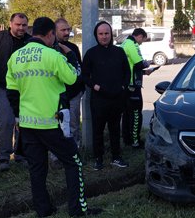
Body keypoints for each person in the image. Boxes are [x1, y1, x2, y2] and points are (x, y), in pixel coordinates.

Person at [6, 17, 101, 218]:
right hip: (52, 123)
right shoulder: (52, 55)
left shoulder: (15, 57)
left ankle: (44, 210)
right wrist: (71, 57)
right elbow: (73, 77)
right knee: (73, 162)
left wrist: (19, 117)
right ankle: (78, 209)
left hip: (27, 124)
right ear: (50, 34)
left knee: (37, 169)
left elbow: (12, 92)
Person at [0, 13, 31, 171]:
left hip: (24, 89)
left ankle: (20, 154)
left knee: (23, 122)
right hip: (2, 87)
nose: (21, 28)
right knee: (5, 122)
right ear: (11, 24)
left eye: (24, 25)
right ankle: (3, 157)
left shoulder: (30, 41)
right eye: (18, 24)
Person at [82, 21, 131, 170]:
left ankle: (116, 157)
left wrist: (123, 86)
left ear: (111, 34)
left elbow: (127, 72)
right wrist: (95, 86)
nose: (104, 37)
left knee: (115, 129)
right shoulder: (91, 53)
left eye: (106, 33)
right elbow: (84, 76)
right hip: (99, 99)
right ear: (96, 35)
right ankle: (98, 159)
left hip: (117, 98)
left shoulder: (119, 52)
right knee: (97, 130)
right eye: (101, 34)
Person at [120, 28, 156, 148]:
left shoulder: (125, 42)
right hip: (132, 86)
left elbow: (132, 66)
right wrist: (147, 64)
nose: (142, 43)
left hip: (126, 84)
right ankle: (135, 141)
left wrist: (145, 73)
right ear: (140, 36)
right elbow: (138, 63)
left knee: (126, 114)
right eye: (143, 40)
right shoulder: (132, 44)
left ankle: (127, 139)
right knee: (136, 114)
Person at [55, 18, 84, 148]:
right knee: (56, 126)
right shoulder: (49, 49)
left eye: (68, 29)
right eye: (63, 30)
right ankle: (57, 156)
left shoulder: (72, 47)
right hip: (55, 96)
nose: (67, 32)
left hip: (73, 94)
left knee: (74, 125)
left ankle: (75, 152)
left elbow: (79, 68)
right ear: (54, 31)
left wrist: (80, 89)